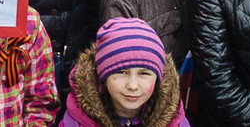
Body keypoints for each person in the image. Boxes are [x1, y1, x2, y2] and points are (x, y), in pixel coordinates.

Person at [61, 19, 189, 127]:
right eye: (122, 72)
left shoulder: (174, 119)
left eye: (144, 74)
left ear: (158, 78)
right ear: (102, 75)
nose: (132, 86)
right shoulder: (77, 119)